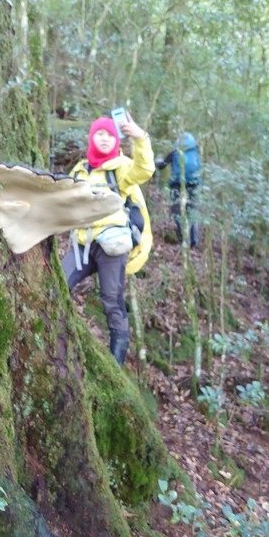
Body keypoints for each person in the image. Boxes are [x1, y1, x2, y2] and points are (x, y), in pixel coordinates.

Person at [61, 114, 154, 365]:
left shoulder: (120, 167)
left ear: (116, 140)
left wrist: (140, 137)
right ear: (92, 137)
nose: (104, 138)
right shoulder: (80, 170)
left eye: (110, 135)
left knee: (111, 300)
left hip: (112, 246)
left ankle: (116, 362)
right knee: (59, 281)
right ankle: (61, 341)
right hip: (83, 244)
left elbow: (144, 169)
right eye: (100, 133)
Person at [155, 132, 201, 247]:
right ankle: (194, 241)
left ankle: (184, 240)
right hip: (193, 185)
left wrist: (158, 160)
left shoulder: (175, 153)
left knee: (178, 212)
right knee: (192, 211)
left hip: (177, 185)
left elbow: (162, 165)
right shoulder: (195, 153)